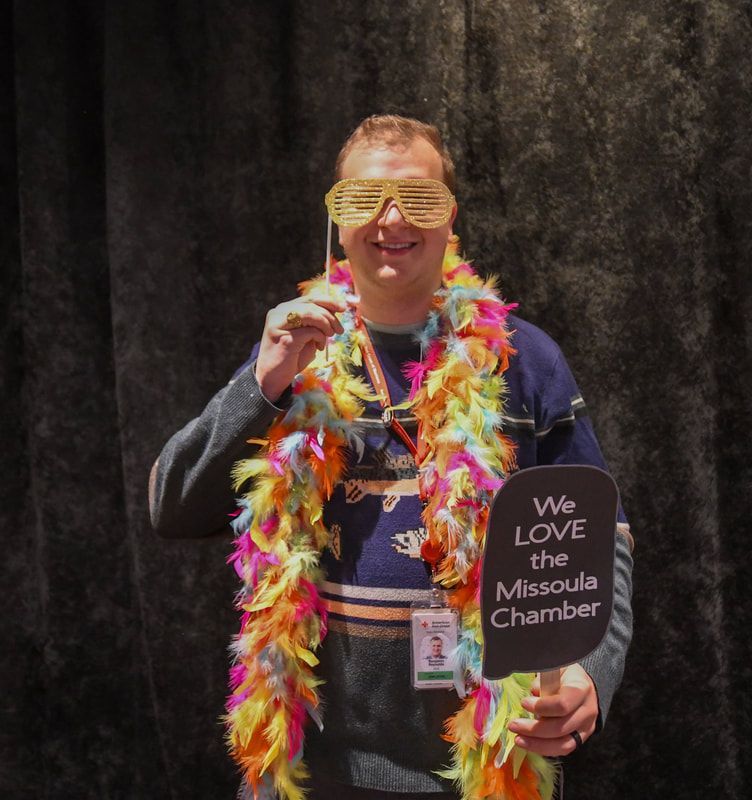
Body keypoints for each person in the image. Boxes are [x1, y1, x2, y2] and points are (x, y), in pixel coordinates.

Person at [149, 114, 633, 800]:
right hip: (317, 772)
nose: (392, 219)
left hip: (483, 768)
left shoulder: (525, 361)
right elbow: (173, 505)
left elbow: (600, 536)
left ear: (450, 217)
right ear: (336, 220)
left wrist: (590, 669)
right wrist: (262, 385)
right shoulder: (294, 356)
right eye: (361, 201)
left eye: (420, 199)